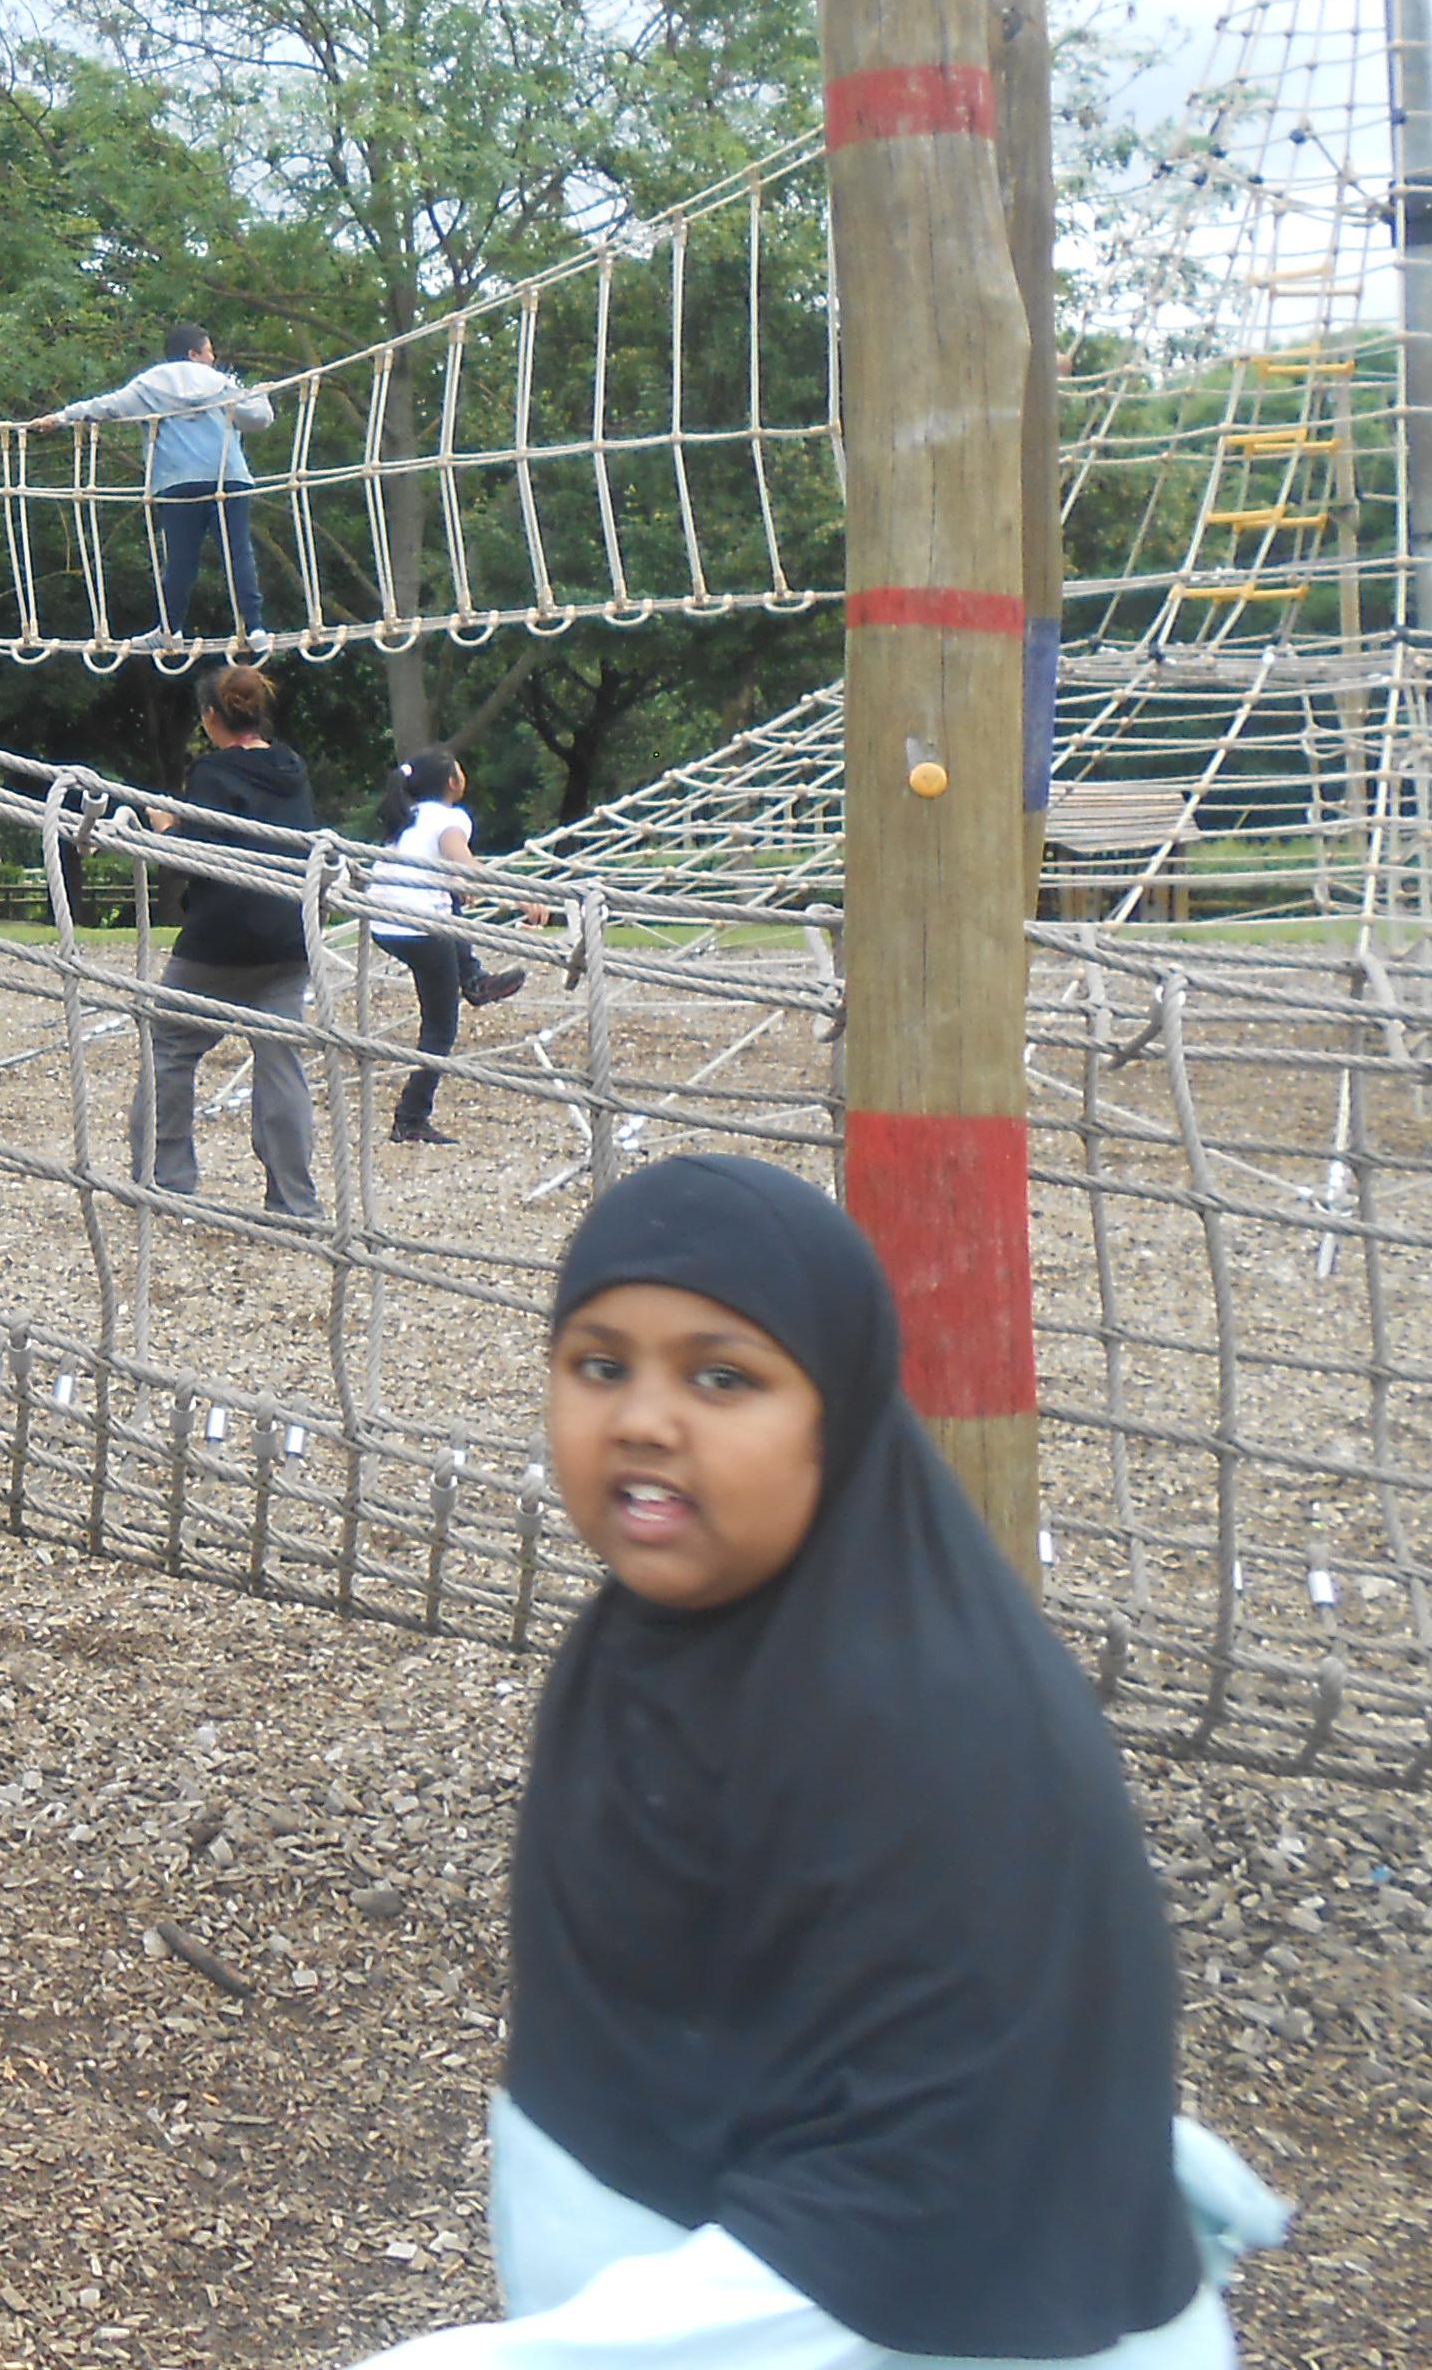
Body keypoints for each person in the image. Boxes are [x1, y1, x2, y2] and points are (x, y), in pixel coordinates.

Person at [342, 1152, 1289, 2369]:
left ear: (834, 1415)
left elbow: (926, 2183)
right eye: (599, 1365)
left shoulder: (933, 1728)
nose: (643, 1418)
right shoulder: (648, 1647)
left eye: (723, 1377)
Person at [137, 664, 322, 1226]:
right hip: (289, 934)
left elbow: (194, 855)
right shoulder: (292, 768)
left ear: (211, 718)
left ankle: (167, 1181)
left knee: (169, 1046)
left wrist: (164, 825)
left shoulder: (214, 773)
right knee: (280, 1060)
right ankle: (294, 1201)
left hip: (220, 942)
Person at [32, 318, 275, 640]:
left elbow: (106, 407)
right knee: (238, 553)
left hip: (178, 482)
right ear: (192, 354)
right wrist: (259, 395)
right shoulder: (221, 384)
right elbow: (257, 420)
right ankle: (255, 627)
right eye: (208, 352)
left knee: (180, 560)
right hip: (228, 477)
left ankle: (170, 629)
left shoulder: (149, 386)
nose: (212, 358)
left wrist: (61, 417)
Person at [371, 748, 531, 1148]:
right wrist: (522, 897)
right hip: (421, 928)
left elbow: (435, 868)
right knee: (440, 1029)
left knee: (452, 906)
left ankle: (474, 977)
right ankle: (411, 1118)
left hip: (383, 922)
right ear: (452, 783)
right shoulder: (449, 818)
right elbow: (465, 863)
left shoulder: (407, 815)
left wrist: (456, 886)